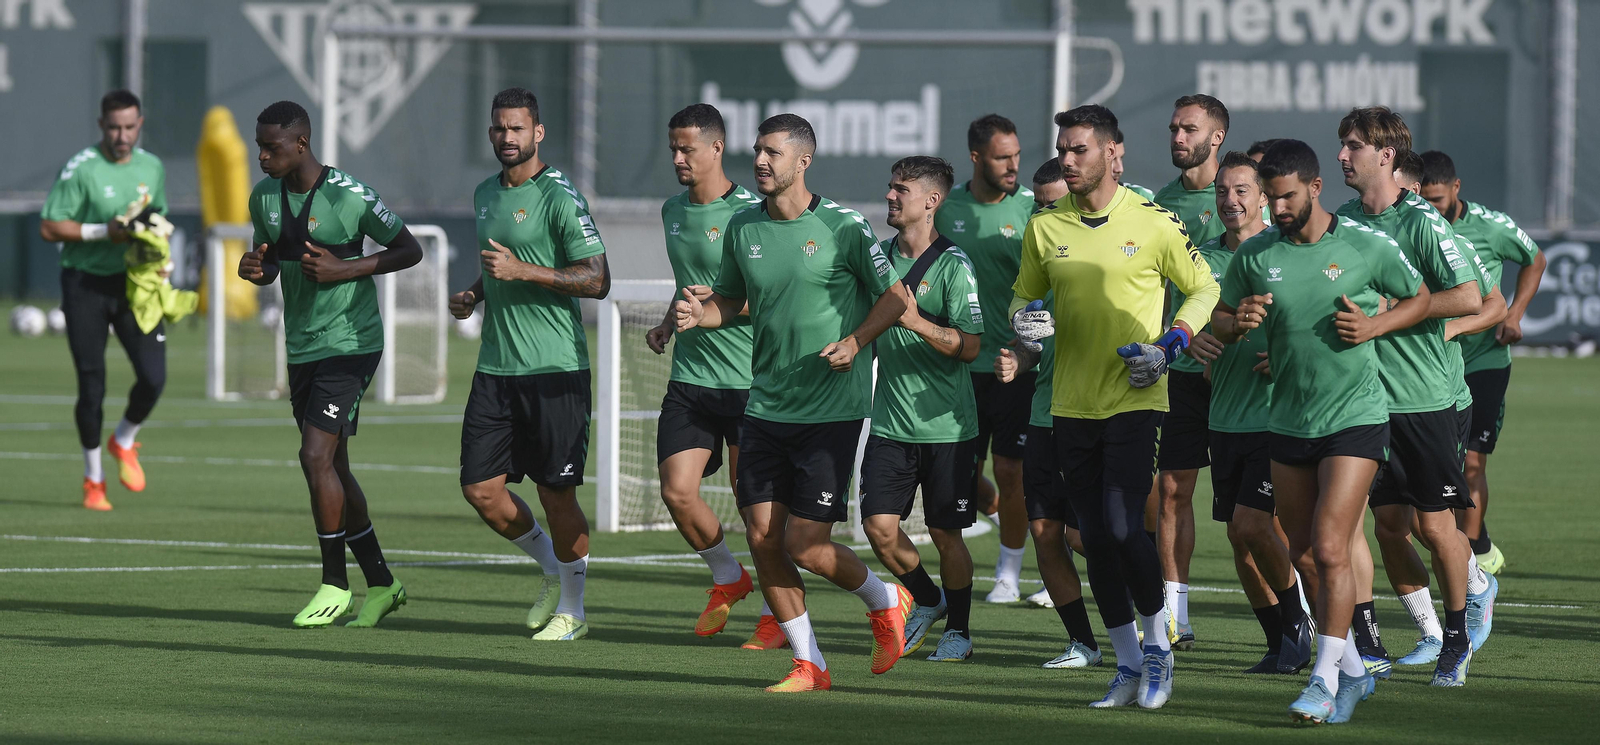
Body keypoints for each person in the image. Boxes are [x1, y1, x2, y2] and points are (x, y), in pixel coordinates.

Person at [674, 114, 915, 692]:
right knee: (763, 538)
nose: (760, 161)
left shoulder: (843, 226)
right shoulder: (743, 226)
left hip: (830, 412)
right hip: (764, 407)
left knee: (805, 546)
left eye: (773, 153)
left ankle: (886, 599)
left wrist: (855, 342)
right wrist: (700, 314)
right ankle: (811, 663)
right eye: (757, 150)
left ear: (803, 161)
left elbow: (895, 298)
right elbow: (731, 301)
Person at [1215, 138, 1433, 724]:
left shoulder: (1364, 244)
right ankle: (1355, 671)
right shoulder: (1256, 254)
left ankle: (1324, 679)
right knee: (1305, 554)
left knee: (1334, 546)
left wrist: (1376, 326)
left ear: (1315, 188)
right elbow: (1221, 315)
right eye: (1270, 197)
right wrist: (1237, 323)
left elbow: (1419, 298)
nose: (1277, 208)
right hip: (1287, 421)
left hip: (1355, 419)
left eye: (1287, 197)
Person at [1011, 104, 1219, 710]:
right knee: (1096, 537)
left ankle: (1158, 651)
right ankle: (1127, 664)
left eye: (1079, 149)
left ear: (1111, 153)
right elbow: (1022, 300)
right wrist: (1025, 323)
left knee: (1125, 526)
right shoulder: (1044, 228)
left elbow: (1204, 288)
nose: (1067, 160)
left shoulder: (1153, 221)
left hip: (1136, 397)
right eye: (1062, 149)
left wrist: (1170, 344)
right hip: (1069, 405)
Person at [238, 100, 423, 627]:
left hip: (351, 342)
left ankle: (334, 584)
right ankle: (383, 584)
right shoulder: (264, 197)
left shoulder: (349, 195)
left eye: (270, 148)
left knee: (314, 455)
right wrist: (256, 268)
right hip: (302, 347)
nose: (261, 157)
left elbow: (409, 250)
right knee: (334, 467)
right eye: (258, 147)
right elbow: (271, 262)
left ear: (301, 143)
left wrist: (348, 269)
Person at [1333, 107, 1500, 685]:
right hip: (1362, 402)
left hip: (1423, 398)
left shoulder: (1422, 222)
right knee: (1377, 528)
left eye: (1353, 145)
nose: (1342, 155)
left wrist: (1393, 311)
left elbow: (1473, 298)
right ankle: (1385, 642)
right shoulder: (1342, 222)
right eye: (1342, 144)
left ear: (1386, 156)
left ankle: (1458, 635)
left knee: (1434, 528)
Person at [447, 88, 610, 641]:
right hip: (496, 368)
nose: (507, 137)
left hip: (555, 370)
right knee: (480, 490)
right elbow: (502, 263)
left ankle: (574, 609)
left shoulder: (560, 196)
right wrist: (475, 293)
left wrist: (524, 272)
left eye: (517, 128)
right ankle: (551, 567)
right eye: (499, 128)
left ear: (538, 133)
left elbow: (597, 279)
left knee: (555, 493)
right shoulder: (485, 193)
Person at [644, 103, 784, 647]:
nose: (678, 158)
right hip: (691, 380)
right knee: (677, 492)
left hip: (751, 386)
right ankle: (729, 576)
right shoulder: (671, 211)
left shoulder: (754, 213)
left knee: (758, 517)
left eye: (688, 149)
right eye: (673, 149)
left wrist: (716, 308)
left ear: (717, 148)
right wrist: (668, 323)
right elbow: (689, 281)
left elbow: (775, 298)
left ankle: (778, 616)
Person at [1186, 152, 1313, 675]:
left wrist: (1289, 357)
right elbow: (1187, 322)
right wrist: (1192, 339)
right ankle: (1280, 640)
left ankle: (1305, 624)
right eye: (1222, 191)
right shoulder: (1204, 260)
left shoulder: (1288, 250)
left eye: (1242, 190)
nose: (1230, 200)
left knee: (1256, 525)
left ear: (1263, 197)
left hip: (1275, 418)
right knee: (1240, 538)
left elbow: (1323, 319)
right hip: (1224, 414)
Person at [859, 156, 982, 663]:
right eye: (890, 186)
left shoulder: (954, 265)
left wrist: (915, 322)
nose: (890, 196)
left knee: (945, 533)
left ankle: (960, 631)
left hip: (947, 426)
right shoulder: (876, 260)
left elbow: (971, 347)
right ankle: (928, 599)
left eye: (901, 189)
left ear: (931, 201)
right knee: (879, 528)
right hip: (890, 422)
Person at [996, 158, 1105, 668]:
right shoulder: (1039, 255)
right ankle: (1084, 643)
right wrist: (1018, 358)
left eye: (1052, 203)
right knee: (1045, 532)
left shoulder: (1109, 250)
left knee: (1088, 536)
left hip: (1096, 415)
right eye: (1037, 205)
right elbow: (1034, 338)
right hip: (1045, 414)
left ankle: (1148, 611)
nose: (1042, 213)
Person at [1418, 150, 1546, 575]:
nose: (1432, 207)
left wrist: (1514, 314)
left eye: (1438, 199)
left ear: (1456, 188)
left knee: (1472, 462)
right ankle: (1479, 540)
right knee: (1445, 465)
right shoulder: (1414, 226)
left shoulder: (1491, 226)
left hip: (1484, 360)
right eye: (1424, 198)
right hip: (1435, 363)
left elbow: (1535, 259)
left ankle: (1472, 564)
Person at [40, 90, 168, 511]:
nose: (122, 135)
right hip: (85, 284)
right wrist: (102, 232)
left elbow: (158, 219)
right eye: (114, 127)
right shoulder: (82, 169)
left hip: (133, 284)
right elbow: (49, 226)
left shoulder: (152, 167)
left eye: (129, 127)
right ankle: (93, 480)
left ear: (140, 125)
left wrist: (160, 258)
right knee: (92, 384)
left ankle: (124, 439)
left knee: (153, 377)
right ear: (101, 126)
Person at [934, 114, 1036, 601]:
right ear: (976, 158)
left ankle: (1008, 573)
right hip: (960, 366)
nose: (1013, 165)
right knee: (964, 478)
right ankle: (998, 514)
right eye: (1002, 158)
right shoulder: (945, 208)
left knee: (1012, 470)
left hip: (1015, 365)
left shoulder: (1034, 209)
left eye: (1016, 155)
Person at [1152, 94, 1232, 648]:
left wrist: (1226, 332)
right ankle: (1175, 615)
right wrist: (1179, 333)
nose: (1179, 138)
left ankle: (1296, 611)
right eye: (1174, 128)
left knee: (1257, 511)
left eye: (1190, 129)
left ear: (1216, 137)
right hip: (1182, 372)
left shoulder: (1244, 195)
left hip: (1238, 377)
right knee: (1172, 490)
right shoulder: (1160, 203)